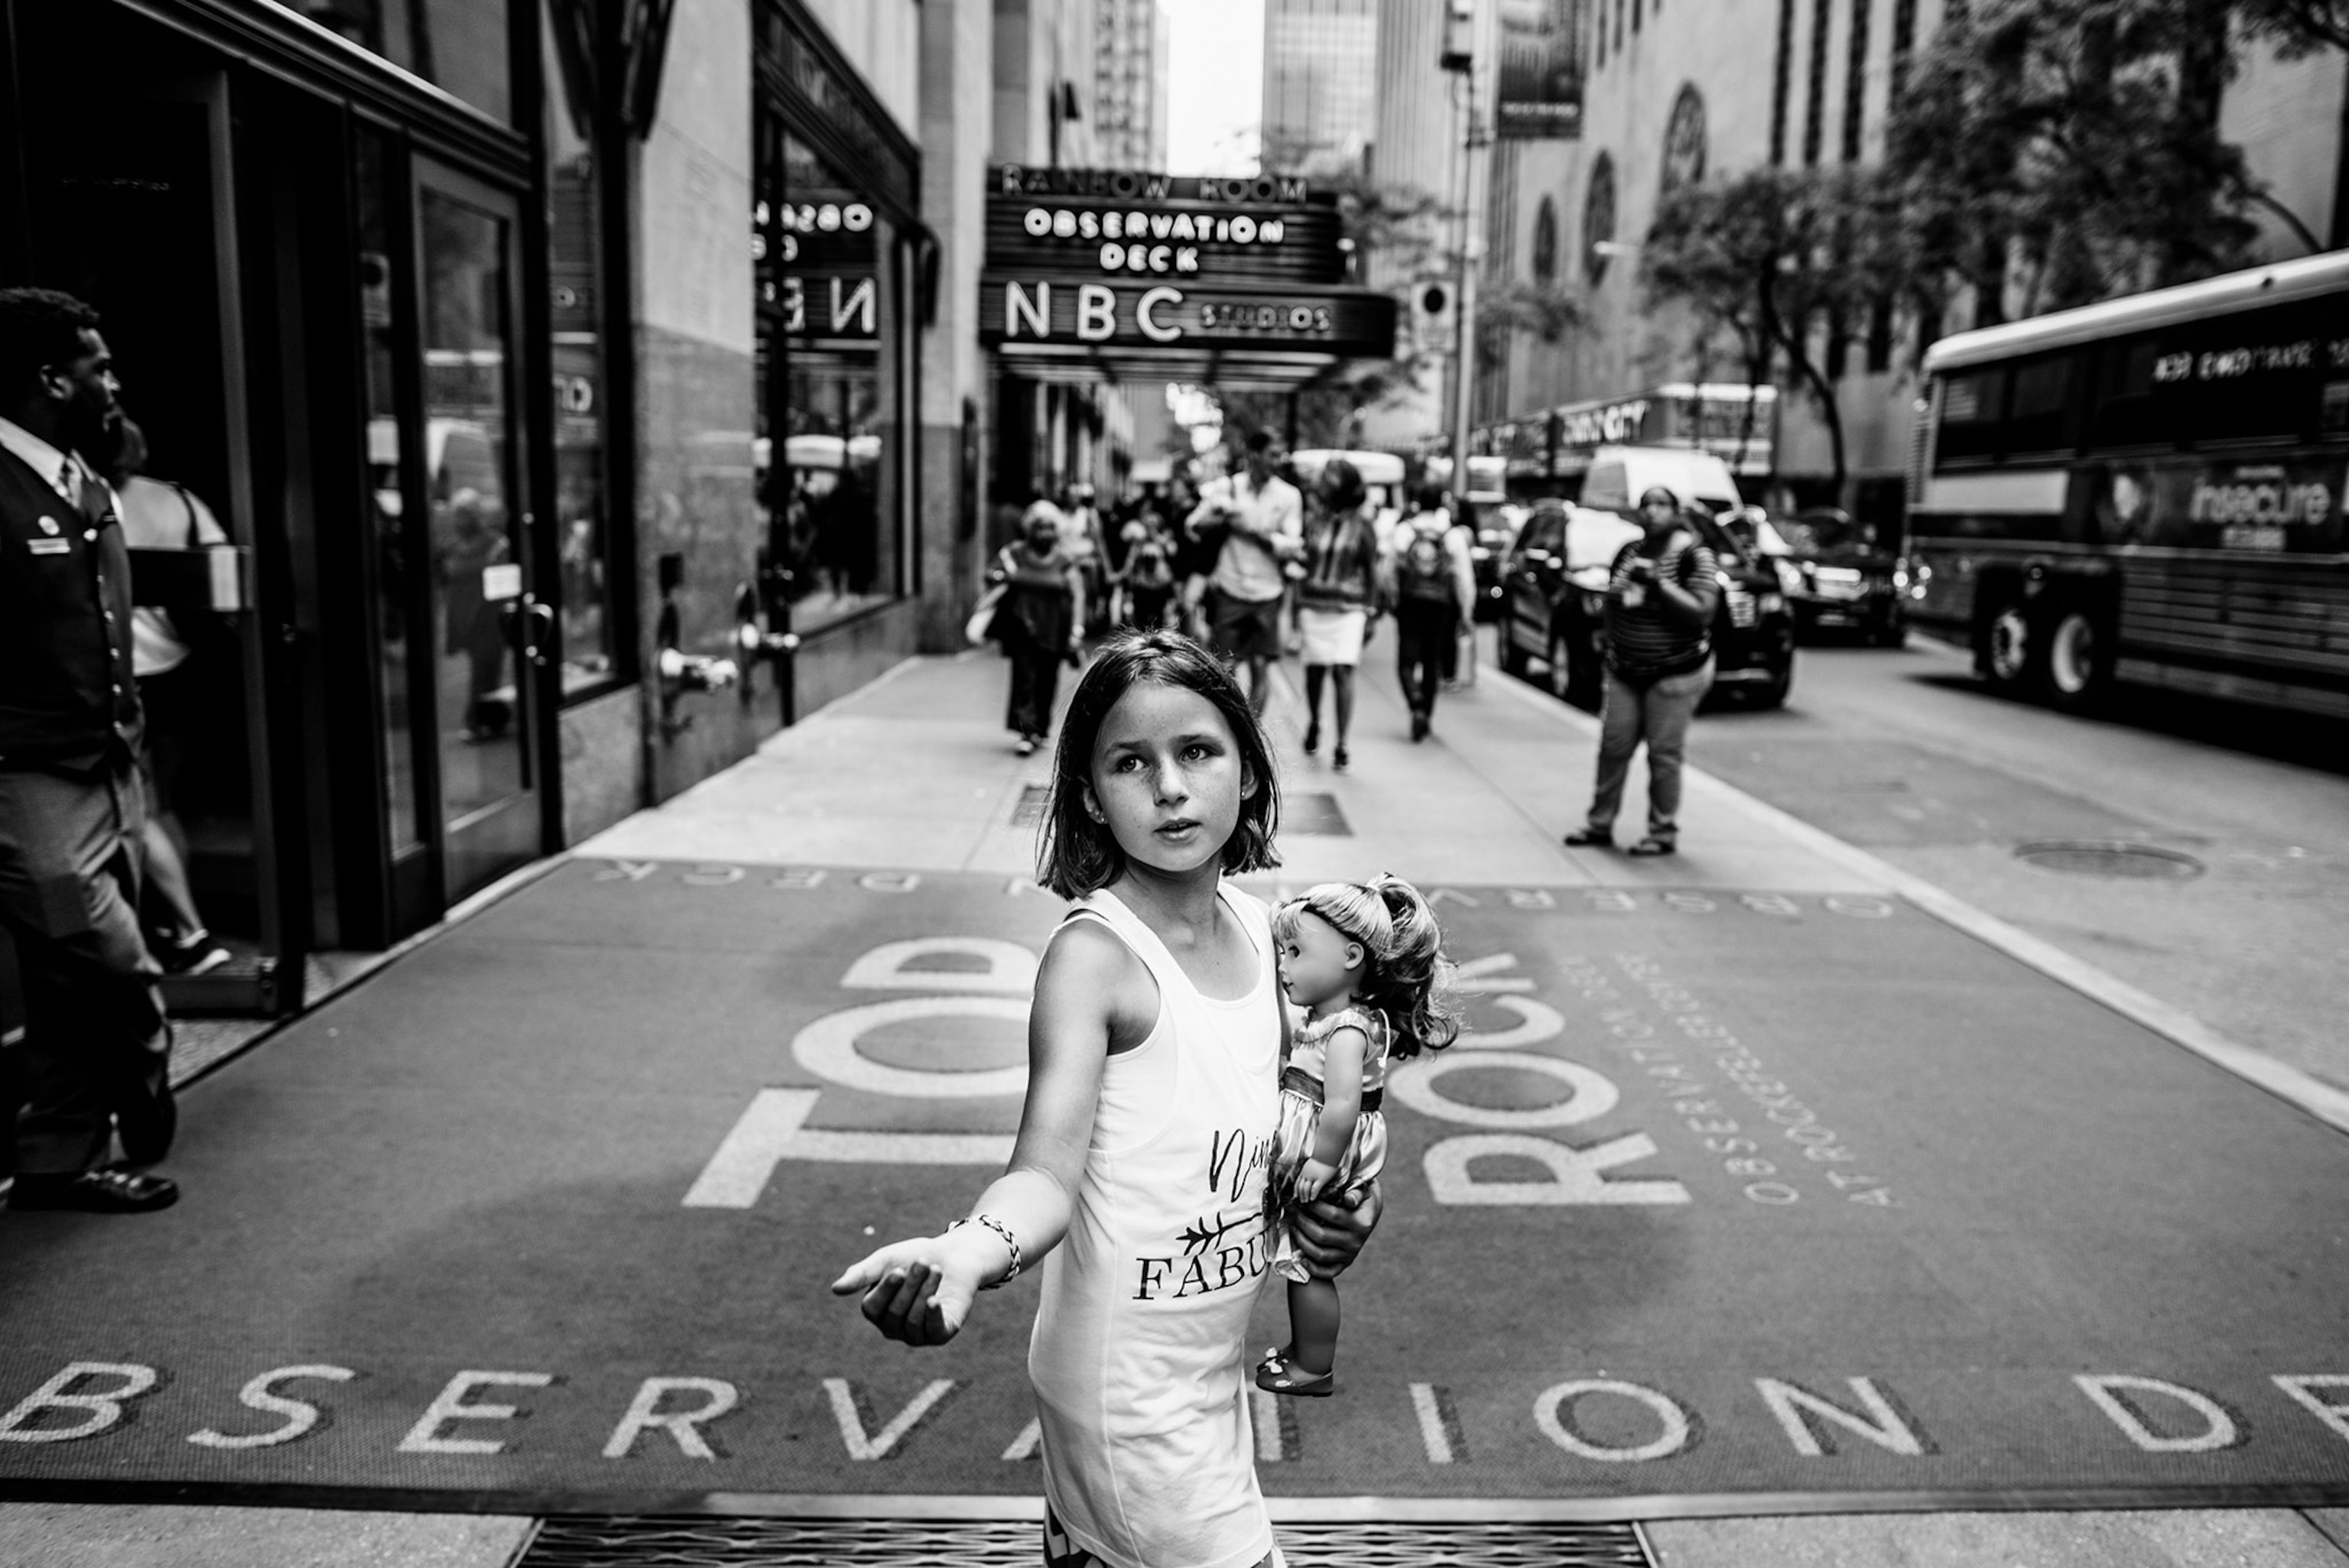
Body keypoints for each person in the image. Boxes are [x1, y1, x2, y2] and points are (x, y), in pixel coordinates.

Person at [833, 629, 1381, 1568]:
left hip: (1204, 1370)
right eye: (1131, 762)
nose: (1169, 786)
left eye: (1198, 751)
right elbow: (1045, 1173)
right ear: (1090, 794)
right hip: (1128, 1400)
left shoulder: (1269, 936)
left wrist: (1342, 1207)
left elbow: (1275, 1133)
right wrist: (972, 1246)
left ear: (1249, 770)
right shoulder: (1096, 957)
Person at [0, 287, 180, 1213]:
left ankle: (55, 1158)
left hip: (110, 764)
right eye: (98, 367)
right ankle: (145, 1074)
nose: (113, 383)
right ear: (50, 378)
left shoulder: (85, 481)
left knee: (65, 975)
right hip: (28, 777)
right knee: (110, 960)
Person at [1258, 874, 1457, 1397]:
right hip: (1314, 1137)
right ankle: (1304, 1351)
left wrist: (1323, 1160)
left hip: (1323, 1146)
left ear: (1351, 956)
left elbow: (1343, 1103)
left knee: (1307, 1265)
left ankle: (1313, 1364)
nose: (1283, 966)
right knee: (1302, 1263)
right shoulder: (1328, 1019)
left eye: (1296, 952)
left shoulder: (1348, 1029)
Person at [99, 416, 230, 976]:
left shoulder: (86, 500)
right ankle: (177, 921)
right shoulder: (178, 500)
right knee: (164, 803)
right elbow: (223, 575)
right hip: (180, 668)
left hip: (127, 675)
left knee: (139, 807)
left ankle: (190, 930)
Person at [1563, 485, 1721, 856]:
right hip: (1625, 669)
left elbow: (1703, 611)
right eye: (1646, 505)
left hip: (1674, 672)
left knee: (1663, 755)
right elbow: (1613, 598)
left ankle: (1662, 831)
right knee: (1613, 747)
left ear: (1677, 512)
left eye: (1661, 504)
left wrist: (1658, 584)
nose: (1652, 511)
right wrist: (1610, 636)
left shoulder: (1694, 556)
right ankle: (1599, 824)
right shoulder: (1630, 552)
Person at [1187, 431, 1302, 715]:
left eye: (1280, 455)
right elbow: (1193, 526)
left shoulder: (1289, 495)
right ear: (1254, 455)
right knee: (1224, 669)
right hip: (1230, 589)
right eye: (1272, 455)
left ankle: (1254, 728)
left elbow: (1293, 545)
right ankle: (1233, 724)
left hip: (1268, 592)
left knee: (1261, 665)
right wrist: (1223, 518)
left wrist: (1252, 532)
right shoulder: (1226, 488)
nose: (1278, 461)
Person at [1293, 458, 1382, 773]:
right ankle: (1315, 720)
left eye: (1328, 477)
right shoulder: (1314, 521)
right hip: (1314, 605)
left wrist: (1372, 612)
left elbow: (1372, 572)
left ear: (1343, 485)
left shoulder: (1363, 525)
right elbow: (1303, 560)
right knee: (1315, 672)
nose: (1322, 482)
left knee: (1344, 671)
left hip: (1349, 610)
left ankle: (1342, 743)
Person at [989, 503, 1085, 756]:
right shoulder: (1015, 553)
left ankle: (1041, 729)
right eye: (1039, 527)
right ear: (1030, 529)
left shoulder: (1064, 559)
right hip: (1022, 626)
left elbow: (1077, 594)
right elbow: (994, 572)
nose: (1044, 533)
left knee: (1047, 679)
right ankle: (1026, 731)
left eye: (1050, 527)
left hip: (1054, 628)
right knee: (1025, 678)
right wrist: (1000, 576)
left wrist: (1076, 629)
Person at [1384, 483, 1477, 743]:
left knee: (1406, 661)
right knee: (1431, 660)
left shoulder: (1405, 531)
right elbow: (1464, 577)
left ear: (1418, 502)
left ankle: (1414, 701)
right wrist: (1466, 612)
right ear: (1441, 504)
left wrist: (1391, 597)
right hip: (1439, 605)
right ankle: (1425, 712)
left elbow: (1388, 570)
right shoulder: (1452, 535)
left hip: (1410, 602)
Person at [1115, 495, 1178, 632]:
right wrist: (1128, 575)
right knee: (1141, 618)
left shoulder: (1164, 539)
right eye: (1148, 525)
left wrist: (1156, 536)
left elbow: (1172, 552)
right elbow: (1131, 560)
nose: (1150, 527)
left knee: (1158, 618)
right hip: (1142, 584)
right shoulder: (1139, 541)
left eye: (1153, 524)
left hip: (1159, 584)